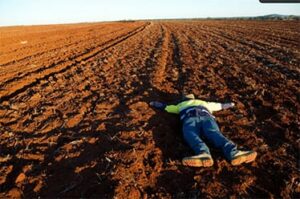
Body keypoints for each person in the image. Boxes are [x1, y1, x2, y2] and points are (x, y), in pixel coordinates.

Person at [149, 94, 257, 167]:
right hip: (206, 117)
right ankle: (234, 153)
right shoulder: (203, 102)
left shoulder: (180, 105)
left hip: (189, 118)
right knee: (214, 134)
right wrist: (229, 104)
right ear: (193, 98)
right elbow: (218, 106)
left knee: (190, 134)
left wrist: (154, 104)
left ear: (184, 99)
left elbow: (167, 107)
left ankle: (203, 153)